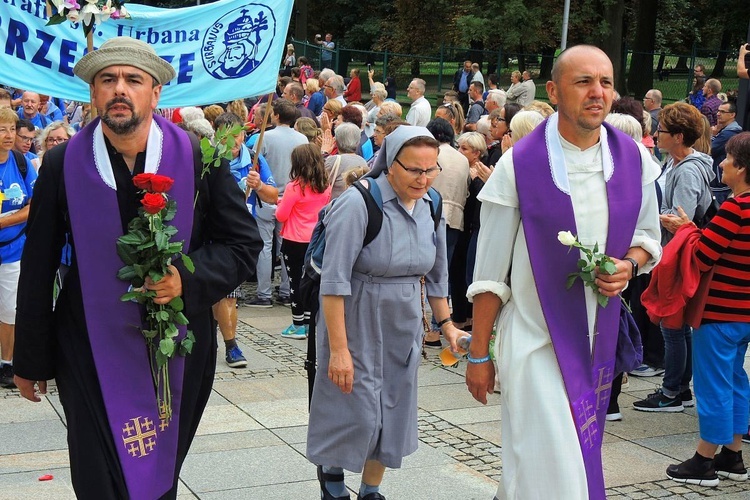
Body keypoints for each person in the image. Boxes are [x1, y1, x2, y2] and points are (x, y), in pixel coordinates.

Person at [12, 37, 262, 498]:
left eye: (133, 80)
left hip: (178, 346)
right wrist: (30, 358)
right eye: (107, 80)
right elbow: (39, 263)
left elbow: (243, 243)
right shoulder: (63, 163)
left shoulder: (197, 157)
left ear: (156, 93)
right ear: (93, 94)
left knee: (158, 474)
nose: (119, 89)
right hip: (86, 342)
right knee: (97, 476)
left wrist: (184, 279)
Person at [466, 45, 661, 499]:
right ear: (553, 91)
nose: (598, 93)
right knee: (555, 470)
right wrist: (478, 354)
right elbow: (490, 273)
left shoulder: (632, 159)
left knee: (535, 472)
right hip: (535, 344)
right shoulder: (520, 164)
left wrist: (629, 265)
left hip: (597, 343)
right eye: (583, 82)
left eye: (606, 82)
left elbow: (649, 239)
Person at [306, 126, 464, 500]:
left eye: (431, 170)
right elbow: (334, 281)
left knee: (393, 406)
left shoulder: (432, 205)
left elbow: (438, 275)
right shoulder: (358, 203)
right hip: (354, 313)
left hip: (403, 318)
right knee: (352, 405)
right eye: (413, 170)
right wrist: (339, 350)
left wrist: (448, 326)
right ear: (390, 165)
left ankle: (371, 490)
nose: (423, 179)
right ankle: (331, 476)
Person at [658, 132, 750, 486]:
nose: (721, 163)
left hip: (720, 313)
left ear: (741, 168)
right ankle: (733, 455)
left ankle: (703, 460)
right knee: (736, 382)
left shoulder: (736, 207)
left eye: (727, 159)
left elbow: (702, 255)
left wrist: (687, 229)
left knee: (713, 386)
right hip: (744, 314)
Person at [633, 102, 713, 413]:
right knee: (677, 327)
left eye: (662, 131)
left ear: (678, 137)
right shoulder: (675, 163)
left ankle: (672, 392)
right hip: (672, 253)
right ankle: (680, 388)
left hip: (677, 256)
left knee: (672, 326)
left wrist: (648, 215)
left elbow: (682, 219)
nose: (656, 134)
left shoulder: (689, 169)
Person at [212, 112, 277, 368]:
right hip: (211, 234)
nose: (234, 140)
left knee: (228, 295)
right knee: (213, 294)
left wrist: (259, 185)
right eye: (227, 134)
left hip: (237, 238)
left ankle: (231, 346)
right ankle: (215, 340)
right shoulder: (208, 160)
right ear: (217, 134)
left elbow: (273, 196)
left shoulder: (254, 160)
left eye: (237, 134)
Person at [275, 144, 331, 339]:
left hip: (294, 239)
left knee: (295, 281)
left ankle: (298, 323)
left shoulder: (295, 187)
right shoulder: (325, 186)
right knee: (310, 280)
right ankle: (310, 319)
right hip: (315, 238)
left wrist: (280, 203)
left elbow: (281, 215)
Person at [0, 108, 37, 389]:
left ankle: (7, 362)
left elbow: (33, 204)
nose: (8, 135)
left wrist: (6, 222)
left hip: (13, 250)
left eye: (11, 129)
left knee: (9, 310)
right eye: (2, 129)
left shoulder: (21, 162)